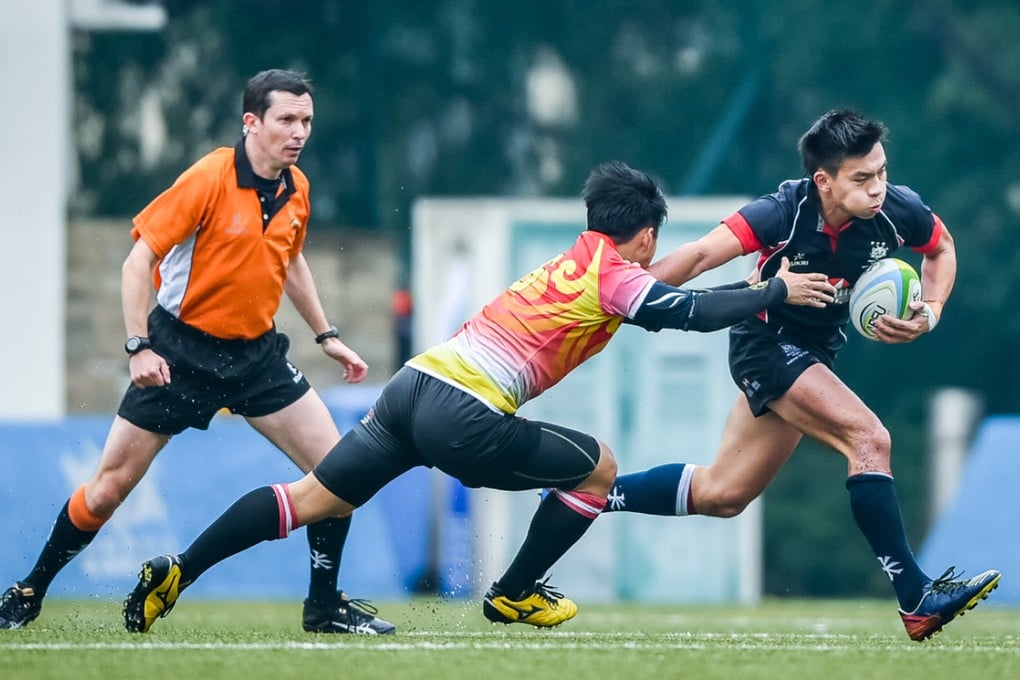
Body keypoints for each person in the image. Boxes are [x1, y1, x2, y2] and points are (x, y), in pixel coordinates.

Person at [120, 160, 836, 633]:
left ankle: (178, 571)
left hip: (414, 387)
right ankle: (514, 590)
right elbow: (684, 312)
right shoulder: (620, 274)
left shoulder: (577, 257)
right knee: (600, 468)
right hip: (461, 414)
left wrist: (735, 277)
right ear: (645, 234)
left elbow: (666, 292)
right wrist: (772, 289)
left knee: (310, 497)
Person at [0, 69, 394, 635]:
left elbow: (292, 260)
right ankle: (31, 588)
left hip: (257, 357)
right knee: (108, 489)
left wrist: (326, 335)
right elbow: (137, 263)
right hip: (178, 353)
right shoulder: (209, 177)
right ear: (251, 123)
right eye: (286, 119)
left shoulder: (296, 188)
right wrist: (138, 346)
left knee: (341, 476)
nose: (299, 131)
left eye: (307, 120)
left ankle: (324, 605)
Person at [601, 109, 1000, 642]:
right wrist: (622, 295)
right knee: (870, 439)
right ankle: (917, 598)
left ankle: (587, 493)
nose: (879, 188)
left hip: (813, 352)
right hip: (764, 346)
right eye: (862, 179)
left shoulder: (895, 209)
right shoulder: (780, 213)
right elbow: (698, 256)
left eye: (881, 172)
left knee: (724, 493)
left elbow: (941, 247)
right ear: (824, 180)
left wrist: (931, 309)